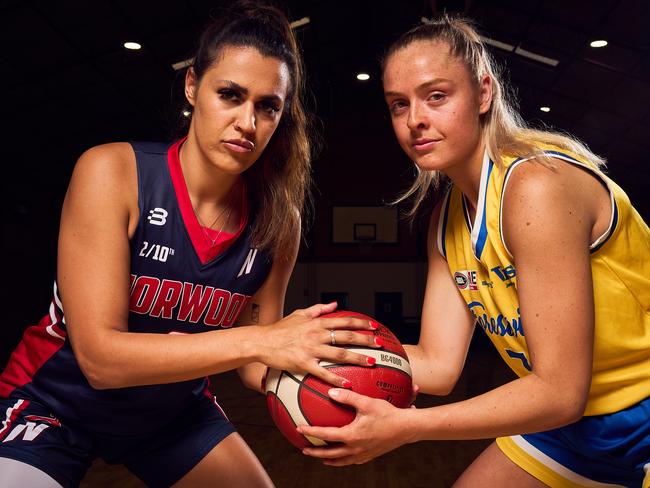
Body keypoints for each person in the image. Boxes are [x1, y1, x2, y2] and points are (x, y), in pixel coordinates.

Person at [0, 3, 381, 487]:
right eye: (230, 95)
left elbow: (254, 364)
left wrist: (340, 376)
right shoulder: (114, 172)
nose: (248, 121)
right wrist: (266, 340)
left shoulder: (276, 222)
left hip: (169, 410)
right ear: (192, 86)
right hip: (57, 400)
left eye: (268, 106)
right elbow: (99, 360)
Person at [299, 15, 650, 488]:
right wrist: (317, 354)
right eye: (398, 105)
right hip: (572, 428)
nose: (415, 119)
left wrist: (408, 427)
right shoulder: (446, 222)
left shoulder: (535, 188)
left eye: (436, 96)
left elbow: (561, 390)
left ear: (484, 93)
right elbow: (438, 366)